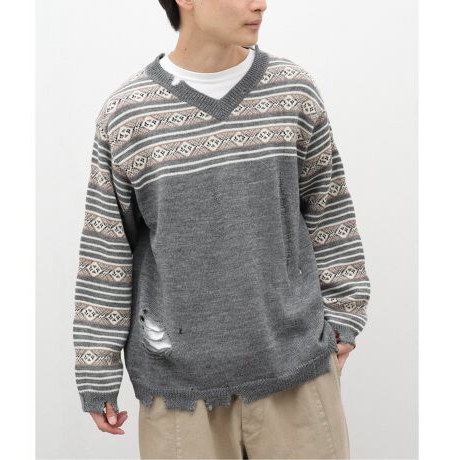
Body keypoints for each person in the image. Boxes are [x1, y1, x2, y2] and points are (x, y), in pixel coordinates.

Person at [72, 0, 371, 458]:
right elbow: (106, 249)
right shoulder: (128, 115)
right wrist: (97, 368)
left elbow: (328, 208)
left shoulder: (291, 91)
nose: (260, 3)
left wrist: (345, 315)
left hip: (296, 370)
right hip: (179, 390)